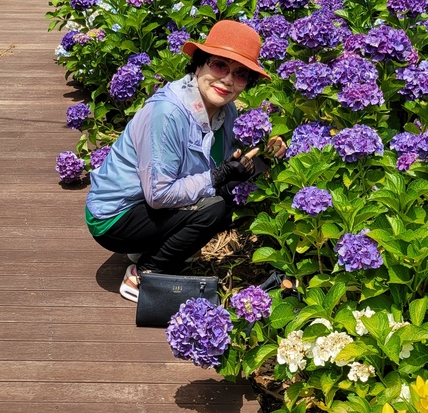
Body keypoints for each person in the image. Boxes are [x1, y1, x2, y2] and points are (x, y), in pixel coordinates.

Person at [85, 20, 286, 302]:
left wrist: (267, 151)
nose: (228, 80)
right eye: (219, 65)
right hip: (114, 217)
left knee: (226, 197)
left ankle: (149, 246)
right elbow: (159, 194)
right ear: (198, 64)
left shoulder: (225, 113)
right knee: (213, 208)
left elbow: (236, 163)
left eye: (240, 74)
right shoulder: (167, 114)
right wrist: (218, 176)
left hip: (145, 207)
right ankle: (144, 274)